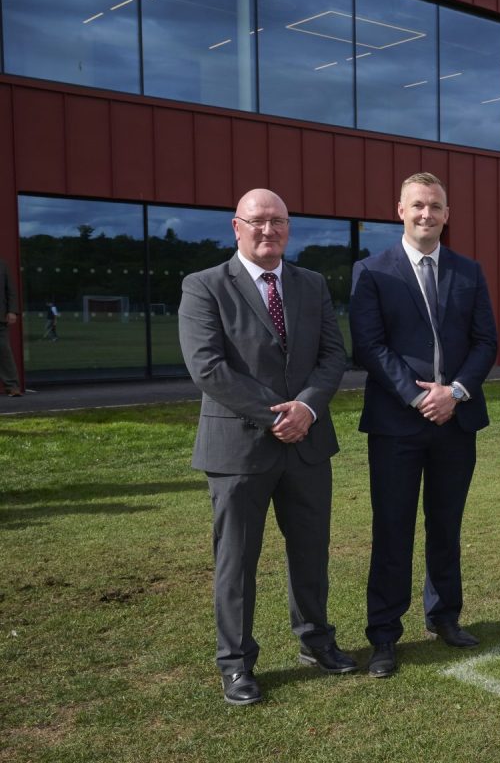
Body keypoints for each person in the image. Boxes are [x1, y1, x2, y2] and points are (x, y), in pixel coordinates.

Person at [178, 189, 355, 706]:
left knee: (311, 552)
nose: (267, 230)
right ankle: (236, 665)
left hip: (307, 443)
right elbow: (208, 367)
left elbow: (332, 354)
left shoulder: (311, 284)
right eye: (257, 221)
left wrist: (307, 408)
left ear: (288, 227)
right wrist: (276, 413)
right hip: (238, 449)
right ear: (236, 226)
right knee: (237, 561)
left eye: (277, 221)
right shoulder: (204, 285)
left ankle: (316, 641)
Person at [350, 172, 497, 677]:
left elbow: (485, 343)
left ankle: (445, 616)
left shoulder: (469, 271)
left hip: (454, 420)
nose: (426, 214)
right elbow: (369, 346)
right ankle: (385, 635)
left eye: (435, 205)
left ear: (447, 213)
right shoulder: (372, 271)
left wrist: (454, 393)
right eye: (417, 205)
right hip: (397, 424)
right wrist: (418, 397)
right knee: (392, 529)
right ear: (400, 210)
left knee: (446, 525)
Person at [0, 257, 21, 396]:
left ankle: (12, 386)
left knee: (4, 351)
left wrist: (12, 311)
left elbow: (11, 290)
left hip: (0, 317)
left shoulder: (2, 265)